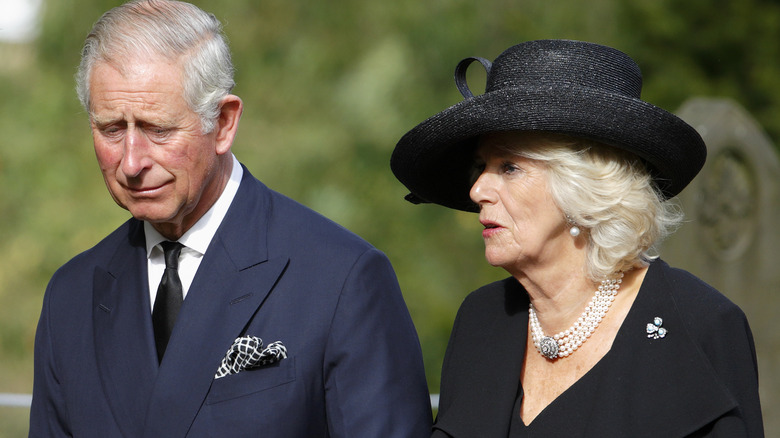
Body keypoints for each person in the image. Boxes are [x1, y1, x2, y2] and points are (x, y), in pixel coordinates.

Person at [29, 1, 432, 436]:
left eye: (158, 129)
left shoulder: (341, 279)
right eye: (111, 129)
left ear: (223, 123)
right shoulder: (71, 297)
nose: (130, 162)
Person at [391, 39, 764, 437]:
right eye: (482, 166)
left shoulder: (699, 324)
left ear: (584, 187)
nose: (478, 189)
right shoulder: (482, 319)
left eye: (510, 166)